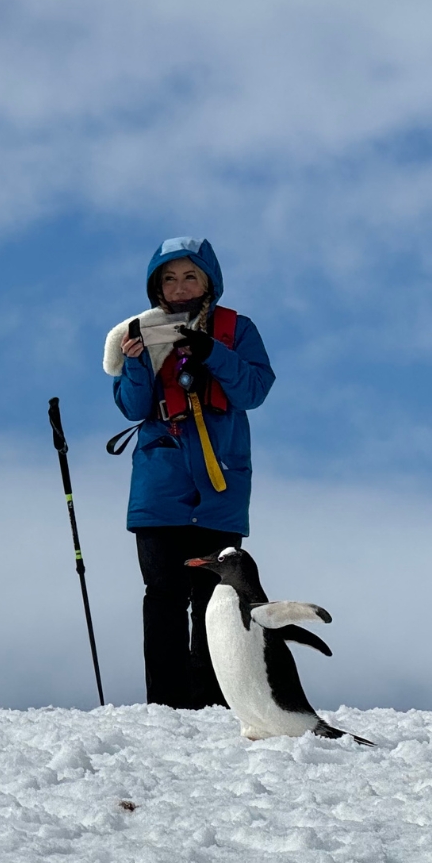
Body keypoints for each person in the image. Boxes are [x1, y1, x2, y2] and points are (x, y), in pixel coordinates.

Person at [103, 237, 274, 708]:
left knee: (216, 601)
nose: (179, 288)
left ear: (209, 281)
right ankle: (166, 705)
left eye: (190, 276)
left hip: (221, 482)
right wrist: (136, 362)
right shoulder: (138, 333)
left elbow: (255, 390)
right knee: (163, 595)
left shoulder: (236, 330)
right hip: (161, 483)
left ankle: (216, 702)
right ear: (156, 285)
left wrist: (212, 353)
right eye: (169, 278)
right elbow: (132, 407)